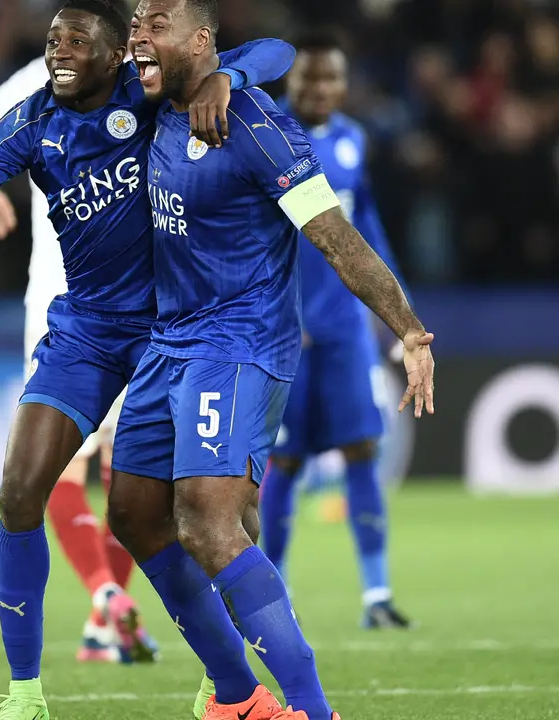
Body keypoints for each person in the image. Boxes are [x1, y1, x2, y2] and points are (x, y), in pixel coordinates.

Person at [0, 1, 295, 717]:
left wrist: (223, 78)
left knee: (211, 516)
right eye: (52, 39)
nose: (59, 51)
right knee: (21, 490)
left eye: (77, 41)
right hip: (85, 332)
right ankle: (25, 695)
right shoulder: (30, 120)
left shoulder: (149, 97)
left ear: (116, 57)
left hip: (173, 328)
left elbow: (278, 51)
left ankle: (226, 680)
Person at [107, 2, 435, 720]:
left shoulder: (260, 128)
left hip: (242, 342)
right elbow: (268, 51)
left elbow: (337, 239)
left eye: (154, 21)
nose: (136, 33)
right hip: (170, 341)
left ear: (198, 40)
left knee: (206, 518)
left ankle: (313, 709)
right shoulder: (150, 98)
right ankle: (236, 699)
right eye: (132, 19)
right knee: (133, 515)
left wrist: (407, 331)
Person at [0, 57, 156, 667]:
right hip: (65, 296)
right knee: (78, 463)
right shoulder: (45, 71)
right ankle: (106, 601)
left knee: (122, 467)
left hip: (144, 296)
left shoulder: (160, 69)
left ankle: (103, 613)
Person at [259, 31, 412, 630]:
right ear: (290, 84)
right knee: (285, 463)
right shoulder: (266, 138)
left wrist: (396, 313)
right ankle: (274, 601)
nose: (320, 89)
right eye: (309, 79)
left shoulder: (352, 139)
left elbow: (367, 227)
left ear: (344, 85)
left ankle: (377, 595)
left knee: (362, 451)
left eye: (331, 79)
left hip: (345, 329)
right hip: (286, 331)